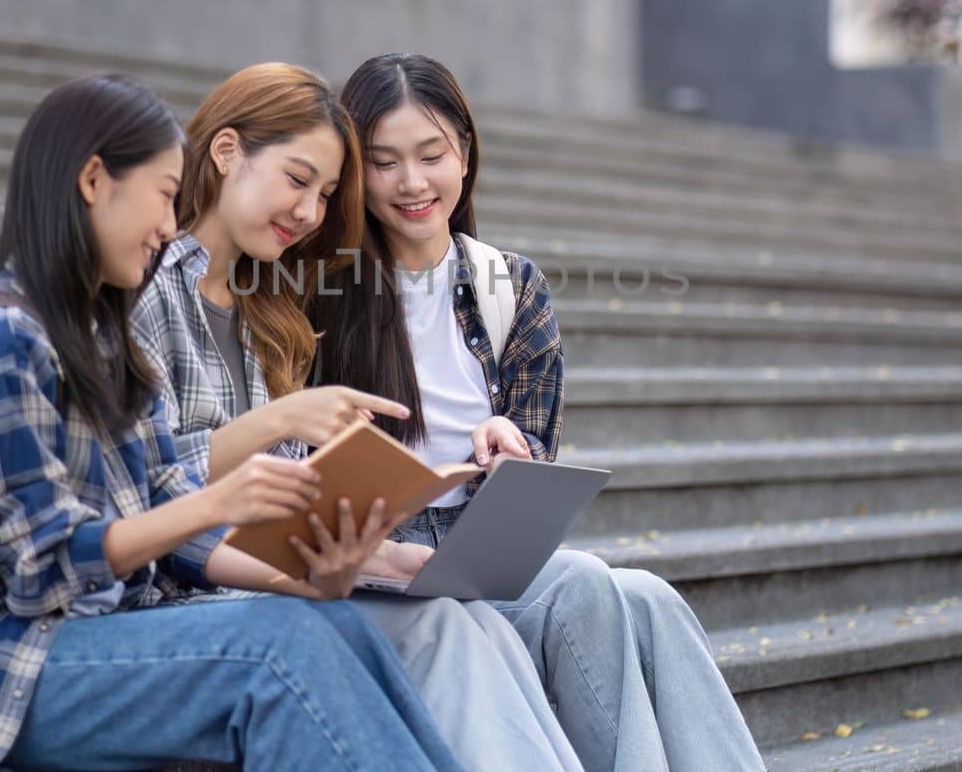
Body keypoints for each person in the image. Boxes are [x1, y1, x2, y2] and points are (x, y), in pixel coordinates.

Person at [0, 74, 461, 772]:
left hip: (92, 640)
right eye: (166, 197)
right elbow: (40, 571)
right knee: (278, 650)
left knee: (335, 623)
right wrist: (221, 500)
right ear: (94, 181)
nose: (171, 227)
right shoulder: (1, 339)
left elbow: (168, 510)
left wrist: (306, 579)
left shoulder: (105, 338)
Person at [308, 53, 768, 772]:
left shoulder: (509, 284)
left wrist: (510, 446)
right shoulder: (318, 288)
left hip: (477, 546)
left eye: (432, 155)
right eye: (384, 162)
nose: (412, 183)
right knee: (591, 586)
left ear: (465, 150)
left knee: (643, 596)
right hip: (379, 555)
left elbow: (534, 460)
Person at [133, 62, 583, 771]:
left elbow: (277, 506)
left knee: (558, 608)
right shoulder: (163, 296)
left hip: (289, 570)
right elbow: (141, 489)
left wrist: (376, 555)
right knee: (447, 630)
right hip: (189, 600)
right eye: (298, 180)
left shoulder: (265, 313)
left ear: (464, 152)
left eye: (324, 193)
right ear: (226, 154)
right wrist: (286, 428)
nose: (310, 211)